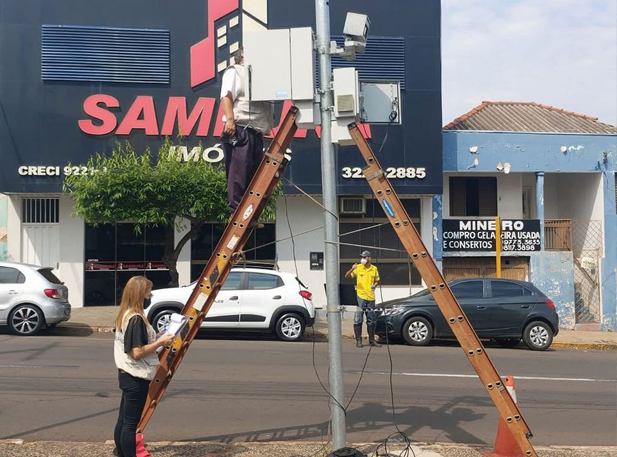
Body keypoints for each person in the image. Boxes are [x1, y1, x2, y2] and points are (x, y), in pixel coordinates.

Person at [113, 276, 175, 457]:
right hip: (135, 375)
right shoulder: (136, 319)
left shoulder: (125, 314)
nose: (151, 295)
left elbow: (135, 343)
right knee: (130, 424)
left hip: (126, 373)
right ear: (141, 294)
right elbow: (137, 351)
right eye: (149, 291)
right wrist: (160, 342)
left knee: (123, 420)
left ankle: (120, 453)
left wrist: (156, 337)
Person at [220, 48, 275, 214]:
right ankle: (236, 210)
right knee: (239, 171)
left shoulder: (259, 77)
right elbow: (226, 95)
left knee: (253, 173)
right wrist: (230, 120)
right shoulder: (235, 71)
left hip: (256, 131)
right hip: (241, 128)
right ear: (242, 55)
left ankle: (247, 211)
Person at [345, 250, 381, 348]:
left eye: (364, 257)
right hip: (360, 296)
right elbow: (347, 276)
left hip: (370, 297)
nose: (363, 259)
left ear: (369, 258)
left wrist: (375, 285)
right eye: (362, 257)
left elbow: (377, 280)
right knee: (358, 319)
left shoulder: (374, 269)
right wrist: (352, 269)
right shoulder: (358, 268)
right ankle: (358, 340)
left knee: (371, 320)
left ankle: (372, 340)